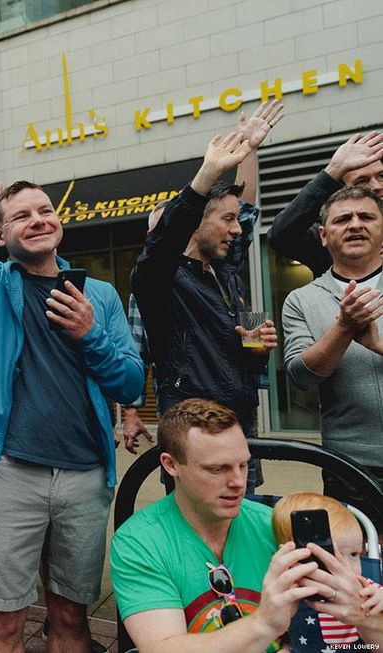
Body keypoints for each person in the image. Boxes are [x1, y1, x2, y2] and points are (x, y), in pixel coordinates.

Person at [0, 74, 143, 652]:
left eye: (46, 210)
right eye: (22, 215)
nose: (39, 219)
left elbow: (131, 382)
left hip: (87, 475)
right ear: (0, 231)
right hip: (10, 472)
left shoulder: (101, 297)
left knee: (71, 621)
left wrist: (90, 335)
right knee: (5, 624)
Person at [131, 120, 282, 490]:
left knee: (241, 524)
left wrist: (257, 343)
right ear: (195, 223)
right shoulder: (160, 278)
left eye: (236, 221)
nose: (236, 229)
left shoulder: (229, 272)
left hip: (241, 425)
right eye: (226, 219)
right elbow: (165, 239)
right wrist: (206, 175)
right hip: (195, 431)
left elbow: (246, 213)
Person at [110, 398, 323, 653]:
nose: (237, 481)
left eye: (243, 465)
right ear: (171, 465)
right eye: (217, 469)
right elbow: (164, 648)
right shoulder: (140, 542)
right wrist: (263, 624)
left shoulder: (274, 524)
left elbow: (320, 626)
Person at [281, 186, 383, 530]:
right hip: (349, 466)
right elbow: (302, 376)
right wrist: (343, 327)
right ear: (324, 236)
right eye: (343, 219)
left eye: (366, 216)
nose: (355, 225)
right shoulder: (301, 300)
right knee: (363, 569)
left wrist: (377, 344)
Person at [271, 492, 383, 649]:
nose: (347, 567)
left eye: (354, 554)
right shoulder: (288, 594)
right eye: (331, 556)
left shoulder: (370, 592)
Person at [269, 132, 383, 276]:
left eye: (381, 176)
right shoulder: (334, 236)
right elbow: (281, 236)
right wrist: (332, 171)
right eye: (362, 181)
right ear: (343, 190)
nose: (377, 186)